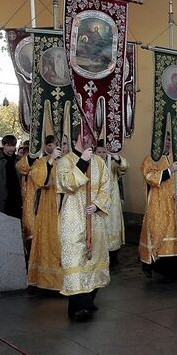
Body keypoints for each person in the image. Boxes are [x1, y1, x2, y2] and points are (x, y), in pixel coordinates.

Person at [55, 136, 112, 322]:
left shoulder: (99, 162)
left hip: (94, 218)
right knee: (75, 259)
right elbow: (66, 184)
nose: (90, 139)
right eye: (86, 135)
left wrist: (97, 204)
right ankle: (78, 306)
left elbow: (107, 187)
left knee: (94, 258)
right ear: (78, 137)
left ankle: (88, 299)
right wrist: (82, 162)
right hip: (73, 217)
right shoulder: (65, 161)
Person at [140, 133, 177, 281]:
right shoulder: (151, 158)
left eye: (169, 140)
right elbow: (149, 177)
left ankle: (175, 273)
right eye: (164, 140)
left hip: (175, 203)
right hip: (158, 203)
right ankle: (157, 268)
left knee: (175, 234)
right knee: (158, 232)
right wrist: (169, 171)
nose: (167, 143)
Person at [27, 136, 63, 291]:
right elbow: (41, 181)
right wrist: (51, 161)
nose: (57, 148)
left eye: (61, 144)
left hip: (68, 206)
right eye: (53, 145)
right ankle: (48, 280)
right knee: (50, 238)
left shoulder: (71, 162)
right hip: (49, 206)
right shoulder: (41, 162)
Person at [95, 140, 128, 268]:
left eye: (104, 152)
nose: (101, 154)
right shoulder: (92, 164)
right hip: (98, 200)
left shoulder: (112, 163)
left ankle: (114, 256)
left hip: (112, 201)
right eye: (99, 152)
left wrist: (116, 157)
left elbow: (124, 167)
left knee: (113, 226)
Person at [0, 135, 23, 221]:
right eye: (8, 146)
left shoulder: (19, 160)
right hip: (0, 198)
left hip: (16, 197)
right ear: (3, 145)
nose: (11, 148)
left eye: (13, 146)